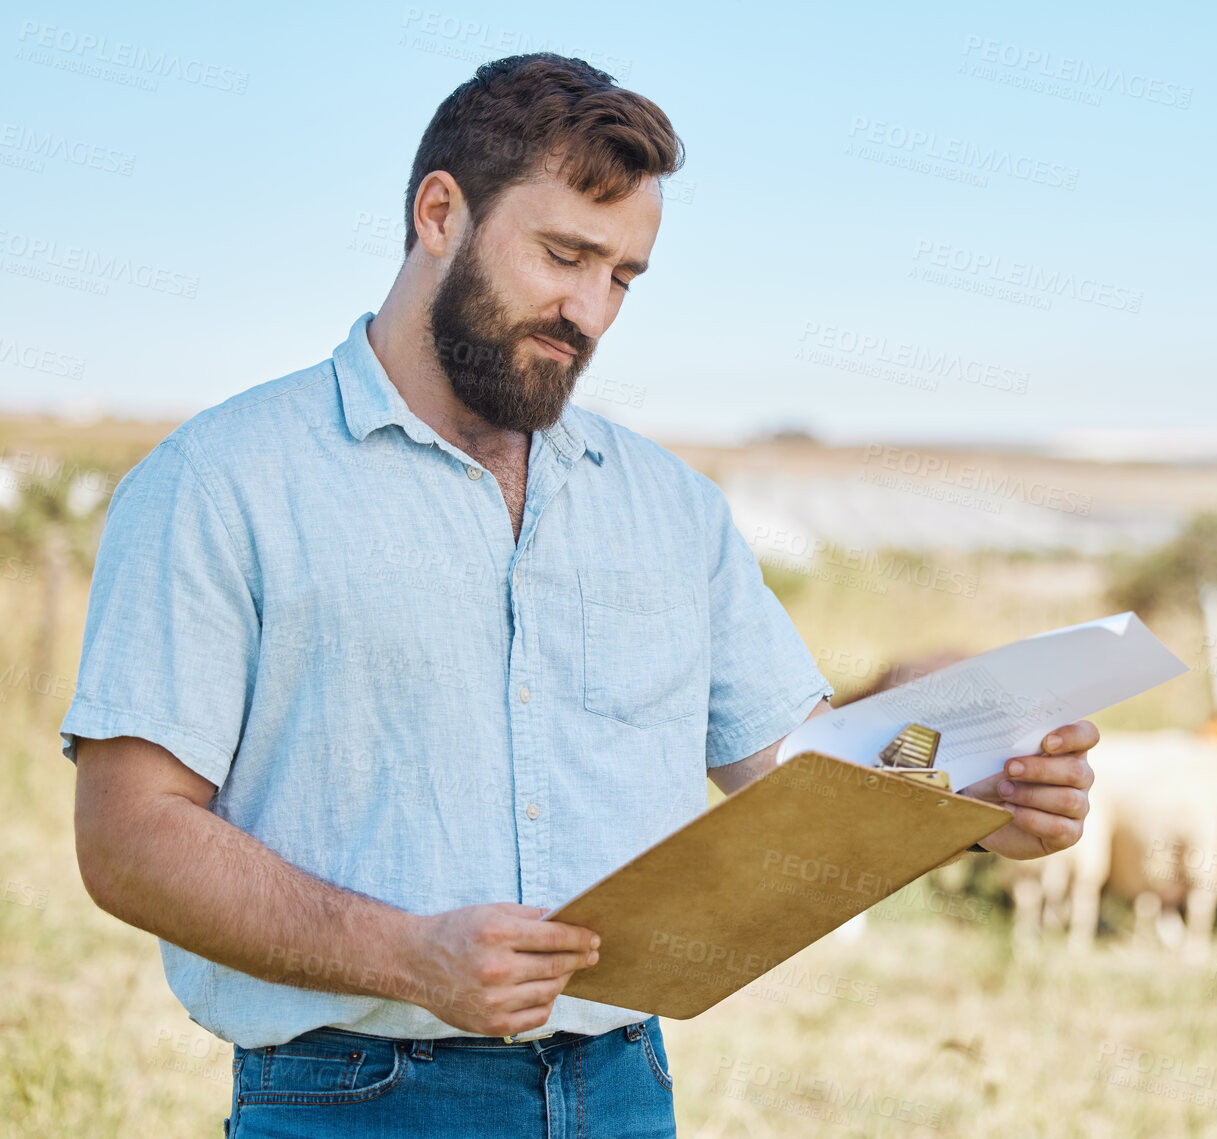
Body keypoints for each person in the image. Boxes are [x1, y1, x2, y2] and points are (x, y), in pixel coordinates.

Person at [63, 53, 1098, 1138]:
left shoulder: (672, 508)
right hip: (353, 1100)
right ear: (438, 213)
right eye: (563, 254)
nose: (590, 309)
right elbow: (129, 834)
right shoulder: (222, 479)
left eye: (624, 276)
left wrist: (979, 794)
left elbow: (801, 772)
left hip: (624, 1088)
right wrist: (406, 954)